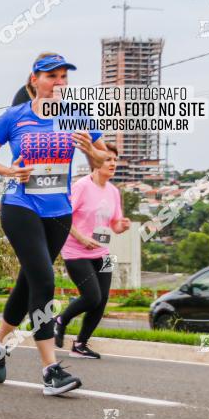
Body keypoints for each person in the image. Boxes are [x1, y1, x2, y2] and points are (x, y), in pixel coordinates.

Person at [0, 54, 110, 396]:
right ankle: (50, 369)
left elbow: (102, 158)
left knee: (29, 280)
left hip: (57, 211)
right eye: (53, 76)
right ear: (34, 80)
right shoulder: (14, 117)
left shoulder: (77, 116)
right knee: (45, 279)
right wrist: (9, 171)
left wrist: (90, 153)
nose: (60, 82)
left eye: (64, 77)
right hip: (20, 204)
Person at [55, 143, 131, 358]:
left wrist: (122, 226)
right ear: (96, 162)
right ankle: (60, 320)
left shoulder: (114, 192)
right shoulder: (81, 186)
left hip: (102, 252)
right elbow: (63, 217)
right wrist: (82, 238)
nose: (113, 163)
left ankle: (80, 344)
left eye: (115, 160)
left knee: (102, 300)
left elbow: (114, 226)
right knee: (91, 297)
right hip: (76, 251)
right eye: (108, 159)